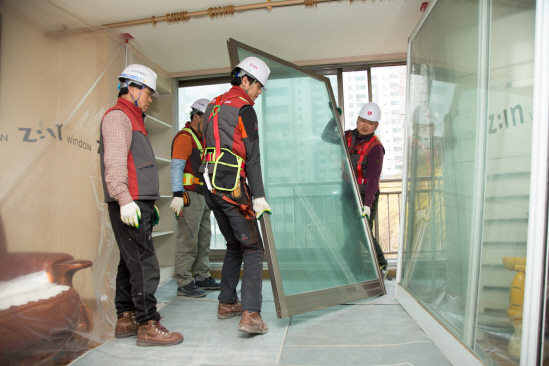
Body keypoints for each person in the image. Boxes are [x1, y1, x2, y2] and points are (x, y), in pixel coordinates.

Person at [99, 64, 183, 347]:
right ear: (132, 88)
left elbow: (138, 166)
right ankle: (148, 324)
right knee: (146, 262)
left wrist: (148, 201)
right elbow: (114, 164)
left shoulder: (136, 119)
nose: (151, 98)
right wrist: (125, 200)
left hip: (139, 201)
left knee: (129, 260)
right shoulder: (118, 117)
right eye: (148, 92)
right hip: (129, 201)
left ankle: (126, 317)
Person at [199, 56, 272, 334]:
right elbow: (252, 157)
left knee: (233, 245)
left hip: (210, 187)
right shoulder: (244, 109)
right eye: (258, 86)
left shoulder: (212, 106)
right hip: (233, 188)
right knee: (253, 249)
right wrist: (259, 196)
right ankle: (251, 314)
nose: (259, 92)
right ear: (245, 80)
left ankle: (227, 302)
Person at [322, 102, 388, 278]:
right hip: (348, 193)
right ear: (357, 119)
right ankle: (356, 271)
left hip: (366, 196)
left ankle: (381, 264)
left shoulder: (376, 148)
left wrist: (368, 204)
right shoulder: (348, 137)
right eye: (362, 120)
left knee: (361, 232)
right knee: (350, 233)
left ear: (376, 126)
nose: (365, 125)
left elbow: (374, 179)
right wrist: (334, 118)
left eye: (370, 123)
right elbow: (326, 136)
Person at [170, 98, 221, 297]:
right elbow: (176, 166)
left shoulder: (202, 139)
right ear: (196, 116)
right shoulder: (185, 137)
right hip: (188, 196)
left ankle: (201, 275)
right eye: (206, 119)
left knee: (203, 239)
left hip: (203, 195)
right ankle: (184, 281)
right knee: (188, 240)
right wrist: (177, 194)